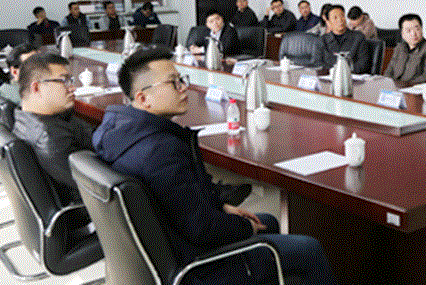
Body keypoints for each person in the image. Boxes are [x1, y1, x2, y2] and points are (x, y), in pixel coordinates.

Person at [92, 47, 337, 285]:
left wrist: (221, 206)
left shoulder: (120, 132)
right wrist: (244, 227)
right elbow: (203, 229)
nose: (183, 88)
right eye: (173, 83)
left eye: (181, 79)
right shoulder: (160, 151)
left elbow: (181, 198)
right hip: (199, 267)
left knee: (269, 222)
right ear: (143, 98)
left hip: (173, 244)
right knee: (309, 248)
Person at [12, 52, 94, 203]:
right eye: (63, 81)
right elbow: (98, 184)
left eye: (70, 80)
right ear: (36, 87)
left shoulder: (23, 116)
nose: (72, 88)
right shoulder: (51, 138)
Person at [384, 14, 426, 84]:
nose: (413, 34)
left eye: (417, 29)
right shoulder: (399, 48)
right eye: (408, 31)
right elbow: (389, 70)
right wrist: (387, 83)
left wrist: (405, 85)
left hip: (413, 88)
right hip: (395, 87)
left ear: (421, 30)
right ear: (402, 34)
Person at [320, 5, 368, 73]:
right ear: (328, 22)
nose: (340, 20)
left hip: (352, 77)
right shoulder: (323, 40)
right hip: (329, 77)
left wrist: (343, 72)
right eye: (335, 18)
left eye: (342, 16)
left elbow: (362, 65)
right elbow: (320, 64)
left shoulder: (358, 37)